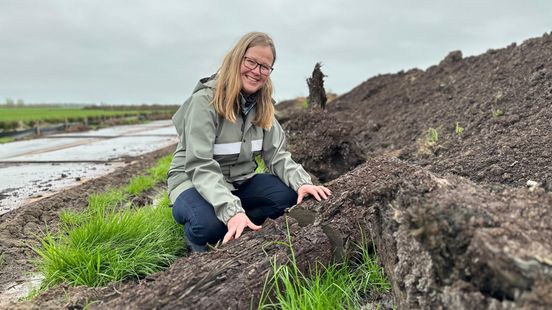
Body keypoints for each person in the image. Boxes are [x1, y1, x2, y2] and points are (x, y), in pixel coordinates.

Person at [168, 32, 331, 252]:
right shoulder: (204, 101)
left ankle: (239, 218)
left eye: (264, 67)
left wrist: (302, 182)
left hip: (239, 181)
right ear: (237, 59)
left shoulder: (263, 106)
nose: (256, 71)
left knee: (291, 197)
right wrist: (231, 211)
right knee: (208, 226)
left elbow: (277, 155)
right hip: (193, 182)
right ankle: (203, 235)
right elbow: (200, 165)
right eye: (251, 62)